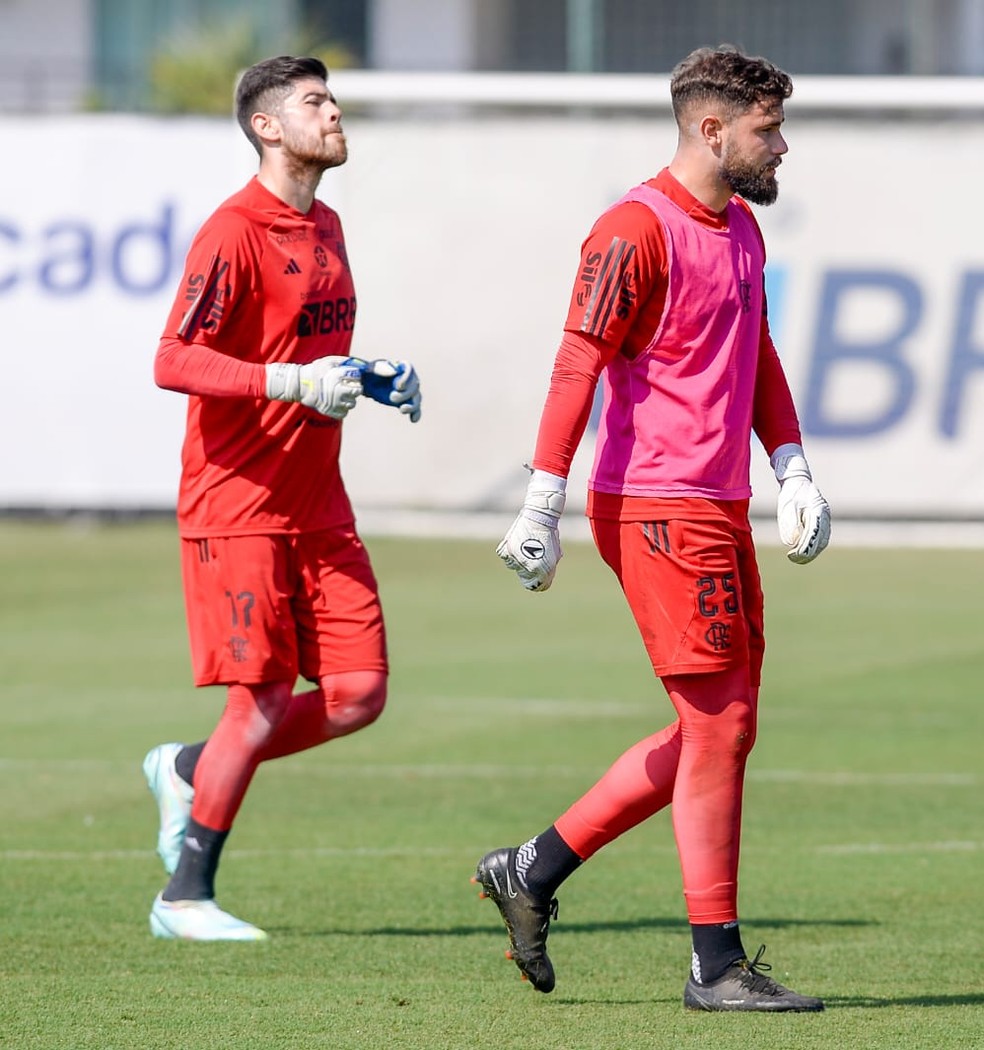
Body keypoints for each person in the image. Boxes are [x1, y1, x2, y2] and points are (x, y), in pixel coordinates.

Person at [474, 45, 830, 1012]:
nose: (782, 146)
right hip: (655, 505)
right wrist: (541, 499)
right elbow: (575, 363)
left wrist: (790, 467)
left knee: (723, 728)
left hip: (716, 504)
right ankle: (715, 965)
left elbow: (754, 353)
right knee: (718, 728)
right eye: (768, 128)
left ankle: (531, 871)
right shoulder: (633, 228)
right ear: (711, 129)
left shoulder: (743, 231)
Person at [143, 55, 422, 941]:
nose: (334, 112)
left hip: (319, 504)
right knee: (257, 701)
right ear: (268, 127)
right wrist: (290, 385)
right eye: (315, 102)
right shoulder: (231, 232)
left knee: (358, 694)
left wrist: (370, 375)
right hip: (239, 504)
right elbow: (173, 360)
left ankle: (190, 767)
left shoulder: (328, 222)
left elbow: (307, 348)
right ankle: (183, 897)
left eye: (332, 98)